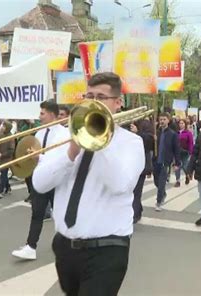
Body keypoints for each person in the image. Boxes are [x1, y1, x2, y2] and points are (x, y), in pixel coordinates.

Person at [32, 72, 144, 295]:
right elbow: (40, 183)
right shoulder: (64, 138)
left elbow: (119, 184)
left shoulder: (131, 143)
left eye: (100, 97)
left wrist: (97, 141)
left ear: (117, 103)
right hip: (65, 247)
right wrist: (71, 152)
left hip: (107, 250)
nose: (93, 102)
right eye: (89, 95)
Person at [12, 100, 69, 260]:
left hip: (56, 180)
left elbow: (60, 158)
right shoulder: (39, 133)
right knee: (37, 213)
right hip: (41, 178)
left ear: (51, 114)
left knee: (59, 213)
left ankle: (64, 244)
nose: (39, 116)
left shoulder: (64, 134)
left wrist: (39, 156)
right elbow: (37, 155)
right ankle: (31, 246)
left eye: (42, 113)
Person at [153, 113, 181, 211]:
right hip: (156, 161)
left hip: (165, 162)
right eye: (160, 119)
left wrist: (177, 163)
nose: (162, 121)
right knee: (156, 181)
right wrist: (154, 140)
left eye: (164, 119)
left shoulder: (172, 134)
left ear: (168, 120)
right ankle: (163, 193)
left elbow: (176, 149)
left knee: (161, 183)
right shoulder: (156, 133)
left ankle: (158, 202)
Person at [130, 119, 155, 223]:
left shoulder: (146, 124)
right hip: (130, 164)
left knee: (137, 191)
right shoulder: (128, 124)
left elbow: (149, 143)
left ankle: (135, 214)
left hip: (142, 165)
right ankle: (138, 209)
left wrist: (138, 132)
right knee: (132, 190)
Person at [0, 120, 15, 199]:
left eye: (4, 126)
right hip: (0, 159)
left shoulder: (11, 137)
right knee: (4, 175)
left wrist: (2, 154)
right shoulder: (1, 135)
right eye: (2, 125)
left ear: (7, 128)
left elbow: (11, 150)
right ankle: (8, 187)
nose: (2, 127)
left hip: (6, 159)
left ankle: (0, 191)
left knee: (3, 175)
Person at [174, 118, 194, 187]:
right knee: (177, 166)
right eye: (180, 123)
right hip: (177, 152)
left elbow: (191, 143)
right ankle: (178, 181)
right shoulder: (176, 133)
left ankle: (187, 175)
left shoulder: (188, 133)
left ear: (185, 124)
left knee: (185, 165)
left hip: (185, 152)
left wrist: (191, 152)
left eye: (182, 123)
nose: (181, 125)